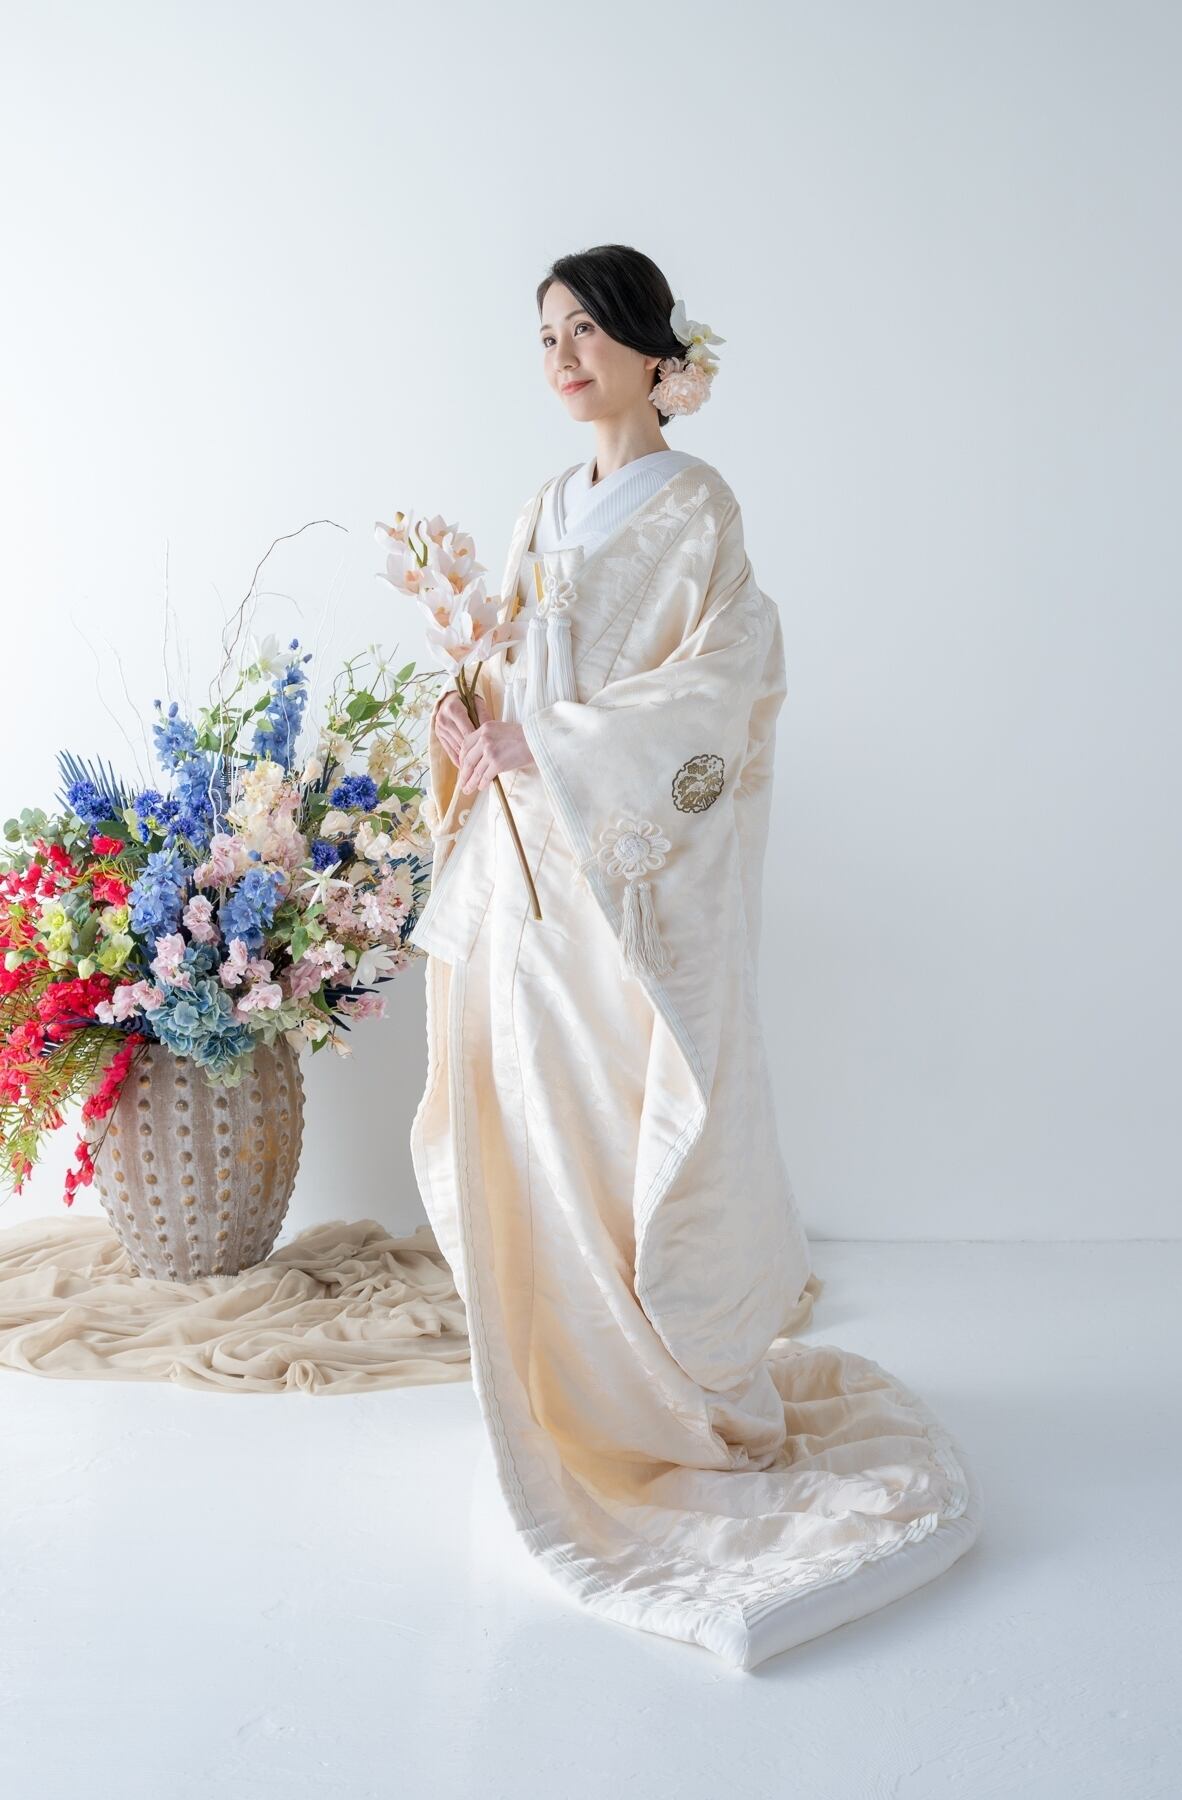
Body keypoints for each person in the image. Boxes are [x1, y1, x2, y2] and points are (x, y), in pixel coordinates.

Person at [408, 244, 982, 1671]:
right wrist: (468, 716)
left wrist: (559, 744)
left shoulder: (697, 506)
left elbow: (721, 690)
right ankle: (561, 1399)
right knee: (523, 1122)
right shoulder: (542, 507)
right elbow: (511, 668)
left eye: (586, 330)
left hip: (617, 877)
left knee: (614, 1131)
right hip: (521, 874)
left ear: (651, 351)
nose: (562, 356)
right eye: (546, 335)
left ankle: (657, 1402)